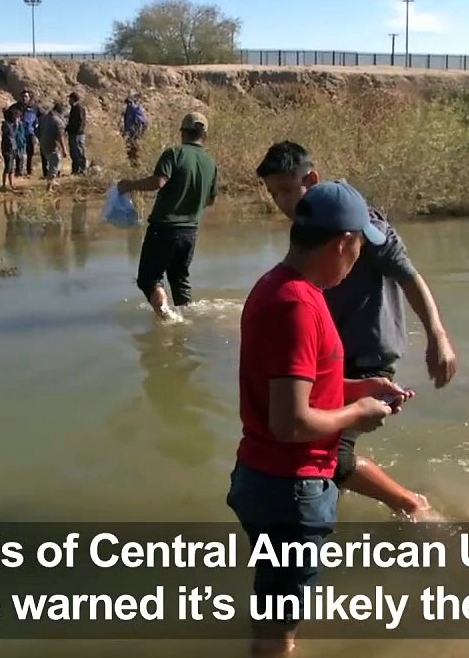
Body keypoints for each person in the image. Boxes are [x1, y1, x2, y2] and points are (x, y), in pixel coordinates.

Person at [228, 180, 415, 657]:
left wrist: (360, 389)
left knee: (275, 607)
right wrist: (359, 412)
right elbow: (289, 423)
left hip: (270, 481)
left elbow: (299, 390)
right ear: (344, 243)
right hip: (290, 488)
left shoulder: (285, 288)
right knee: (277, 636)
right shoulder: (296, 305)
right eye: (358, 250)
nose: (357, 262)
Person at [255, 140, 458, 523]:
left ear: (310, 179)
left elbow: (410, 277)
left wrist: (438, 336)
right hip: (326, 353)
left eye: (287, 190)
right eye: (274, 193)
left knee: (333, 456)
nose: (281, 202)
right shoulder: (308, 233)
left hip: (366, 353)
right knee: (318, 447)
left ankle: (411, 504)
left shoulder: (362, 225)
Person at [117, 112, 217, 321]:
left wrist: (130, 185)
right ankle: (187, 318)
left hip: (164, 228)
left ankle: (168, 319)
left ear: (182, 132)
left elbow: (159, 181)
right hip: (190, 231)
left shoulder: (174, 154)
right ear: (204, 135)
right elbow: (210, 200)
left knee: (148, 279)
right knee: (179, 279)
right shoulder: (210, 163)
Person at [36, 102, 68, 181]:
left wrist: (41, 139)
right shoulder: (58, 122)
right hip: (52, 146)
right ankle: (49, 185)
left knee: (50, 164)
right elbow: (60, 137)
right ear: (60, 111)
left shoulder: (44, 118)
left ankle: (52, 182)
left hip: (43, 144)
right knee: (54, 165)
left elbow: (37, 130)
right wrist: (64, 150)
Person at [11, 89, 39, 176]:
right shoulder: (16, 107)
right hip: (19, 133)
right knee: (19, 152)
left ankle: (29, 170)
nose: (24, 98)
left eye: (26, 97)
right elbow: (7, 114)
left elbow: (43, 116)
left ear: (29, 98)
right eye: (23, 96)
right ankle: (18, 171)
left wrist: (37, 124)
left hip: (30, 133)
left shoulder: (34, 108)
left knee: (30, 152)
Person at [121, 95, 148, 168]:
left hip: (134, 135)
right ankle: (133, 169)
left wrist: (139, 133)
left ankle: (138, 170)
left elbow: (144, 122)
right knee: (130, 154)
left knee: (136, 154)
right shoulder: (128, 110)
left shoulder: (135, 109)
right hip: (129, 135)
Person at [66, 91, 88, 175]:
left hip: (77, 135)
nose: (69, 100)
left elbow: (81, 121)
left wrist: (77, 131)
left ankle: (82, 170)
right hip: (72, 134)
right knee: (73, 153)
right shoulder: (73, 108)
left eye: (70, 99)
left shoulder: (79, 108)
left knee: (79, 152)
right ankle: (75, 170)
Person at [0, 106, 17, 189]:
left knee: (11, 167)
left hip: (11, 148)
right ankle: (4, 185)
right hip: (7, 149)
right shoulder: (6, 125)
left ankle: (11, 184)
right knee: (8, 167)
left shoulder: (10, 125)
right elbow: (8, 137)